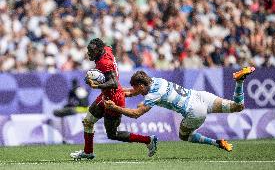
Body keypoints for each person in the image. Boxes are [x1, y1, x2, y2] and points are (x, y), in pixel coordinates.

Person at [104, 67, 256, 152]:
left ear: (142, 85)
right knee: (238, 106)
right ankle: (239, 80)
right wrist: (114, 91)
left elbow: (136, 114)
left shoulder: (152, 95)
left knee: (185, 136)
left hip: (195, 112)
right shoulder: (156, 81)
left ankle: (217, 143)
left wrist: (115, 107)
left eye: (138, 88)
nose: (137, 91)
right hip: (201, 96)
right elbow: (133, 91)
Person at [70, 38, 157, 160]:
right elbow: (109, 46)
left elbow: (114, 82)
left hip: (114, 99)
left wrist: (97, 85)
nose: (89, 53)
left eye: (92, 51)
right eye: (89, 50)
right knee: (88, 121)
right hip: (106, 95)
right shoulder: (106, 49)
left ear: (100, 50)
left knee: (112, 134)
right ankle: (88, 152)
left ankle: (148, 140)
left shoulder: (104, 63)